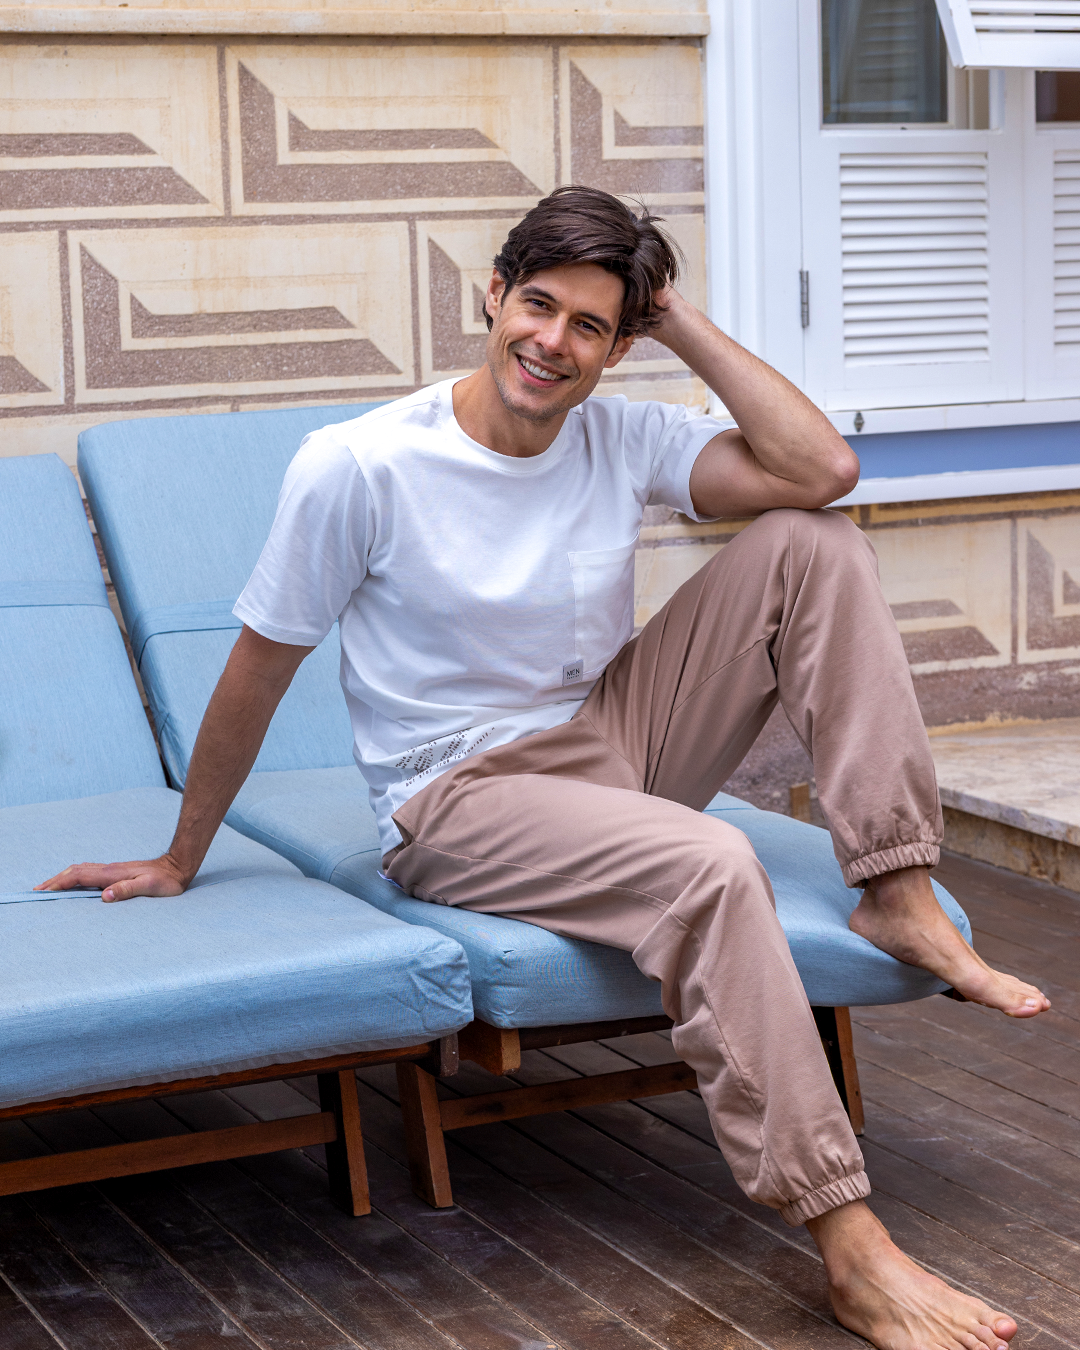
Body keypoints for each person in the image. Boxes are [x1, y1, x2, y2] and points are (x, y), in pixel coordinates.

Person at [41, 186, 1044, 1350]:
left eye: (590, 326)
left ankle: (896, 889)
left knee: (811, 544)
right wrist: (181, 854)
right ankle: (852, 1247)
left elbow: (821, 468)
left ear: (621, 346)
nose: (552, 342)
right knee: (714, 861)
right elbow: (257, 670)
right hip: (458, 797)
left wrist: (678, 319)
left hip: (609, 748)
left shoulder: (619, 436)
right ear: (494, 294)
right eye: (537, 305)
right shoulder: (360, 465)